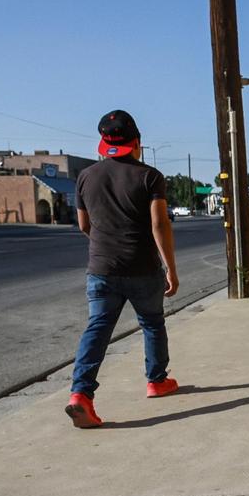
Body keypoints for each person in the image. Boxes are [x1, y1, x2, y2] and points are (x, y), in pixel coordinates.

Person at [65, 110, 180, 428]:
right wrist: (170, 268)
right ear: (137, 142)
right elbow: (159, 224)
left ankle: (80, 395)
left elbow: (83, 225)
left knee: (97, 329)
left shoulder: (86, 176)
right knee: (152, 323)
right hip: (142, 267)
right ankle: (156, 381)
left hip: (101, 268)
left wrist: (106, 244)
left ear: (104, 143)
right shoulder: (150, 176)